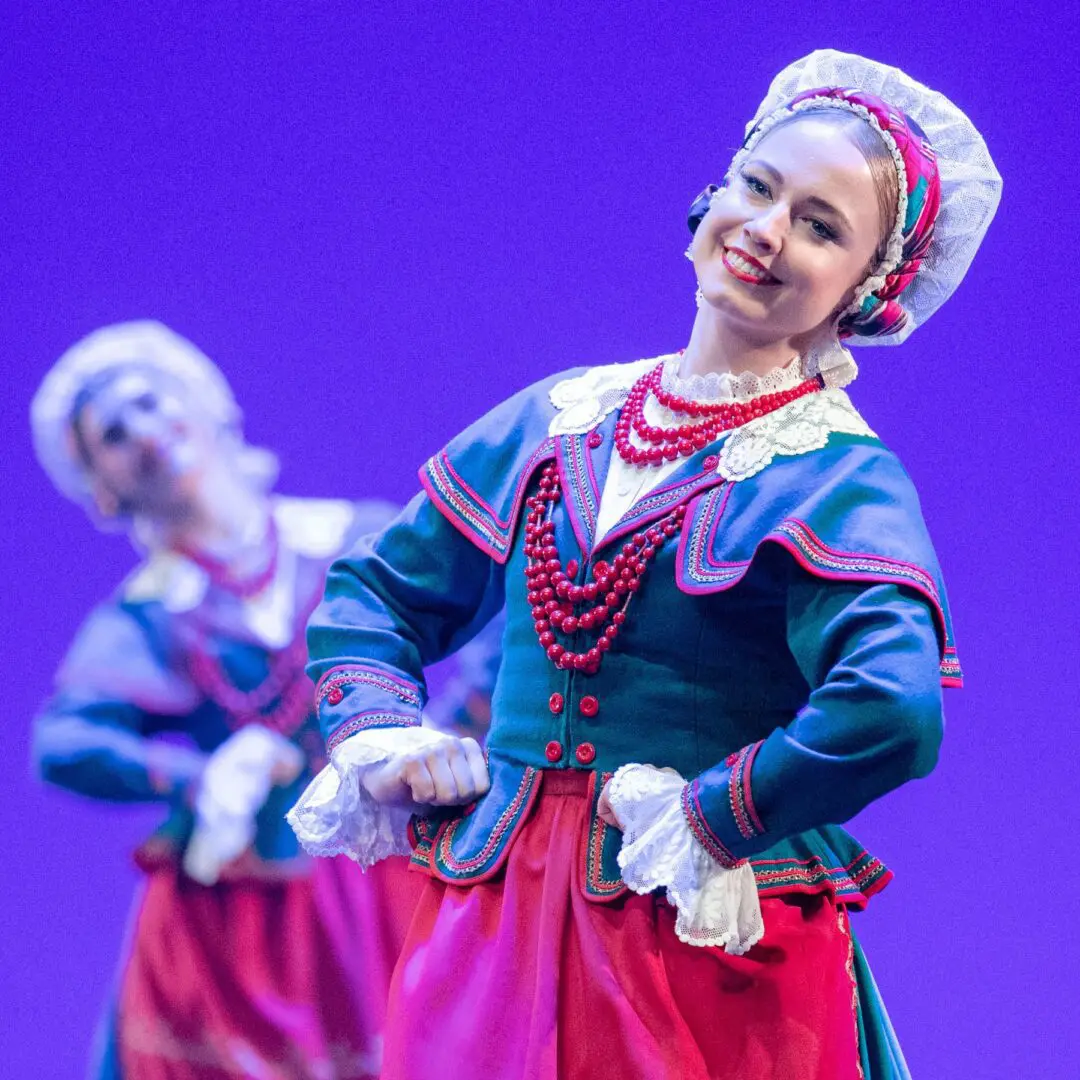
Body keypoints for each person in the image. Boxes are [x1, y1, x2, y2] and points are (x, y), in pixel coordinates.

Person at [288, 50, 1002, 1080]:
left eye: (820, 225)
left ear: (868, 289)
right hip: (494, 912)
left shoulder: (835, 476)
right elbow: (375, 593)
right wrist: (383, 732)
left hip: (694, 938)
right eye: (759, 187)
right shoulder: (562, 414)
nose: (766, 230)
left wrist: (711, 815)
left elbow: (892, 706)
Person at [30, 321, 499, 1079]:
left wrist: (446, 735)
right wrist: (203, 777)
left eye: (151, 402)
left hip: (387, 869)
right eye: (114, 432)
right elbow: (65, 743)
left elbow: (495, 610)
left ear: (203, 403)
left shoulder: (349, 535)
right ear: (103, 484)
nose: (145, 432)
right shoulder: (149, 615)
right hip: (246, 923)